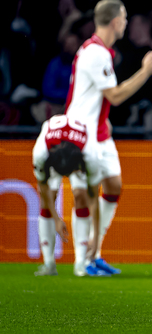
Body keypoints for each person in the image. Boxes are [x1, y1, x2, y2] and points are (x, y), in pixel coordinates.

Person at [65, 0, 152, 275]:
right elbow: (115, 96)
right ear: (116, 21)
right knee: (84, 196)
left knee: (114, 186)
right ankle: (82, 260)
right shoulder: (96, 53)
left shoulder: (100, 51)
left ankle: (95, 250)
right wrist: (145, 70)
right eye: (125, 18)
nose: (127, 23)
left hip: (99, 131)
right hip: (82, 132)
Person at [32, 114, 104, 277]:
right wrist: (57, 219)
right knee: (48, 197)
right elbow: (42, 187)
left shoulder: (90, 154)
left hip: (77, 146)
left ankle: (80, 262)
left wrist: (96, 238)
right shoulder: (41, 152)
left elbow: (94, 197)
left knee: (81, 196)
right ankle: (48, 263)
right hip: (56, 148)